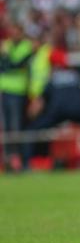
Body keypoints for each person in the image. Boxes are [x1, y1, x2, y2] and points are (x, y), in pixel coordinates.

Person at [0, 20, 34, 171]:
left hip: (18, 92)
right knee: (6, 128)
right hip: (4, 91)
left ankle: (19, 159)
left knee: (16, 127)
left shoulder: (26, 46)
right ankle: (8, 159)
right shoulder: (6, 45)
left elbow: (15, 65)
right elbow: (5, 66)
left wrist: (6, 58)